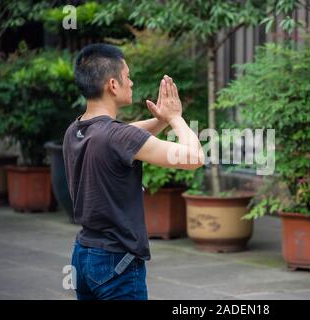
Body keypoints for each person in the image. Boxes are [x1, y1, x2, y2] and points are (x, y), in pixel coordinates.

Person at [63, 43, 204, 300]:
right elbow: (194, 158)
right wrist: (175, 119)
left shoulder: (77, 130)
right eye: (127, 76)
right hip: (116, 262)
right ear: (113, 85)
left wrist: (161, 119)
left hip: (83, 256)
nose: (131, 82)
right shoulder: (117, 136)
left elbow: (128, 134)